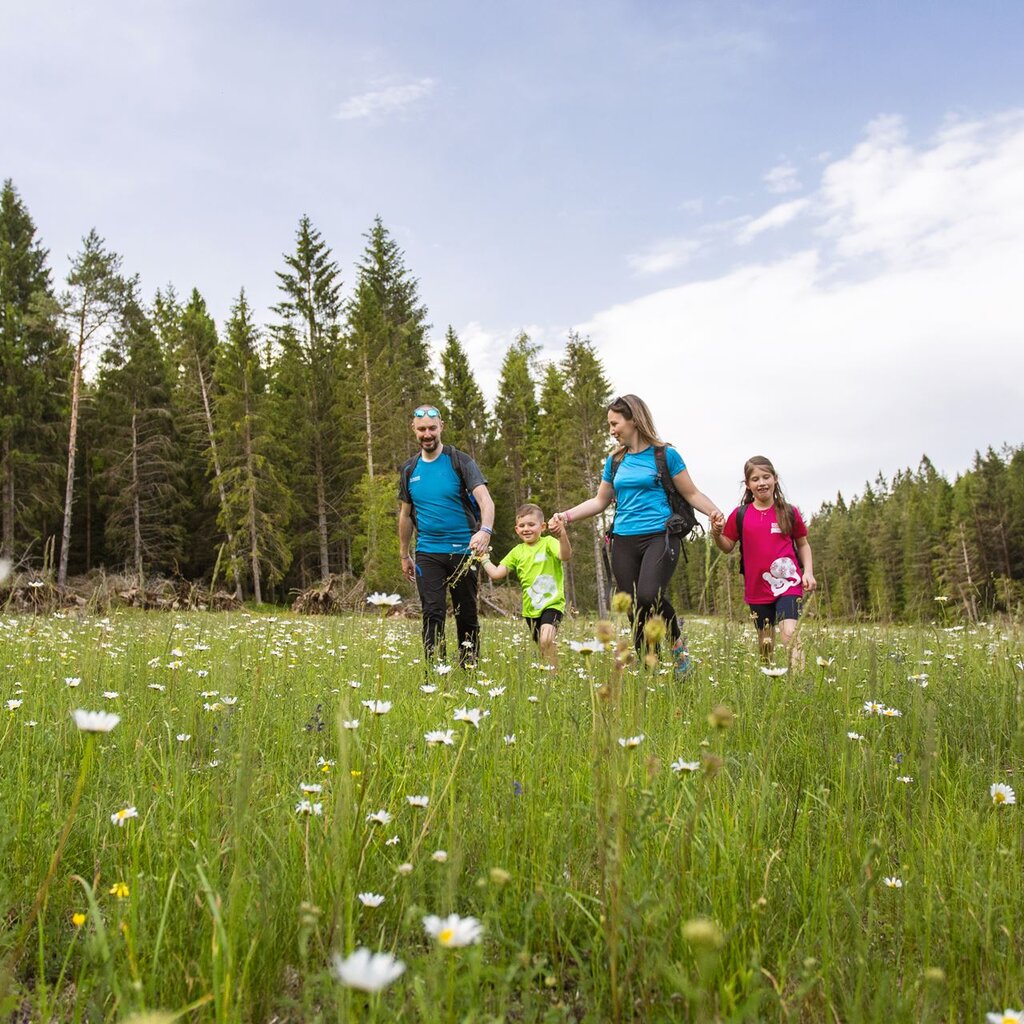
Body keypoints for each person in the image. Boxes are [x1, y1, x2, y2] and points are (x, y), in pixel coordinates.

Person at [550, 394, 724, 675]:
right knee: (632, 606)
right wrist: (566, 515)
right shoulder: (615, 461)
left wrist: (715, 513)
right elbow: (600, 501)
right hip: (623, 539)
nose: (611, 430)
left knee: (647, 595)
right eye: (609, 425)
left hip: (659, 536)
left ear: (634, 420)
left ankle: (678, 647)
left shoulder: (665, 455)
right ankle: (648, 668)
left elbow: (690, 492)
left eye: (614, 423)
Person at [398, 405, 495, 667]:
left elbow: (486, 501)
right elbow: (405, 515)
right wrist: (404, 553)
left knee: (466, 613)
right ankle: (436, 673)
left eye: (432, 428)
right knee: (432, 613)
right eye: (421, 430)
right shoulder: (409, 470)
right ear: (414, 430)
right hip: (427, 552)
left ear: (441, 426)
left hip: (463, 551)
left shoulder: (460, 461)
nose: (427, 434)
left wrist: (485, 531)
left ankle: (470, 668)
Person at [710, 455, 816, 667]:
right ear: (748, 485)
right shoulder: (740, 515)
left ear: (775, 479)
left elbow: (803, 544)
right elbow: (727, 546)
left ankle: (801, 686)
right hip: (757, 588)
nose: (762, 483)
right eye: (755, 479)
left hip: (789, 584)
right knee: (766, 644)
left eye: (766, 477)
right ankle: (770, 679)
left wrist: (808, 572)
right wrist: (716, 533)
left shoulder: (788, 511)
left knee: (789, 634)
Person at [479, 503, 571, 659]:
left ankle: (554, 678)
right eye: (521, 525)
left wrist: (562, 535)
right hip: (530, 610)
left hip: (552, 604)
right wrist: (483, 558)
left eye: (531, 524)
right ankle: (551, 676)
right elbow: (496, 573)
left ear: (542, 527)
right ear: (517, 529)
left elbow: (565, 555)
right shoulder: (517, 552)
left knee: (546, 640)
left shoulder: (549, 543)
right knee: (543, 647)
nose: (526, 528)